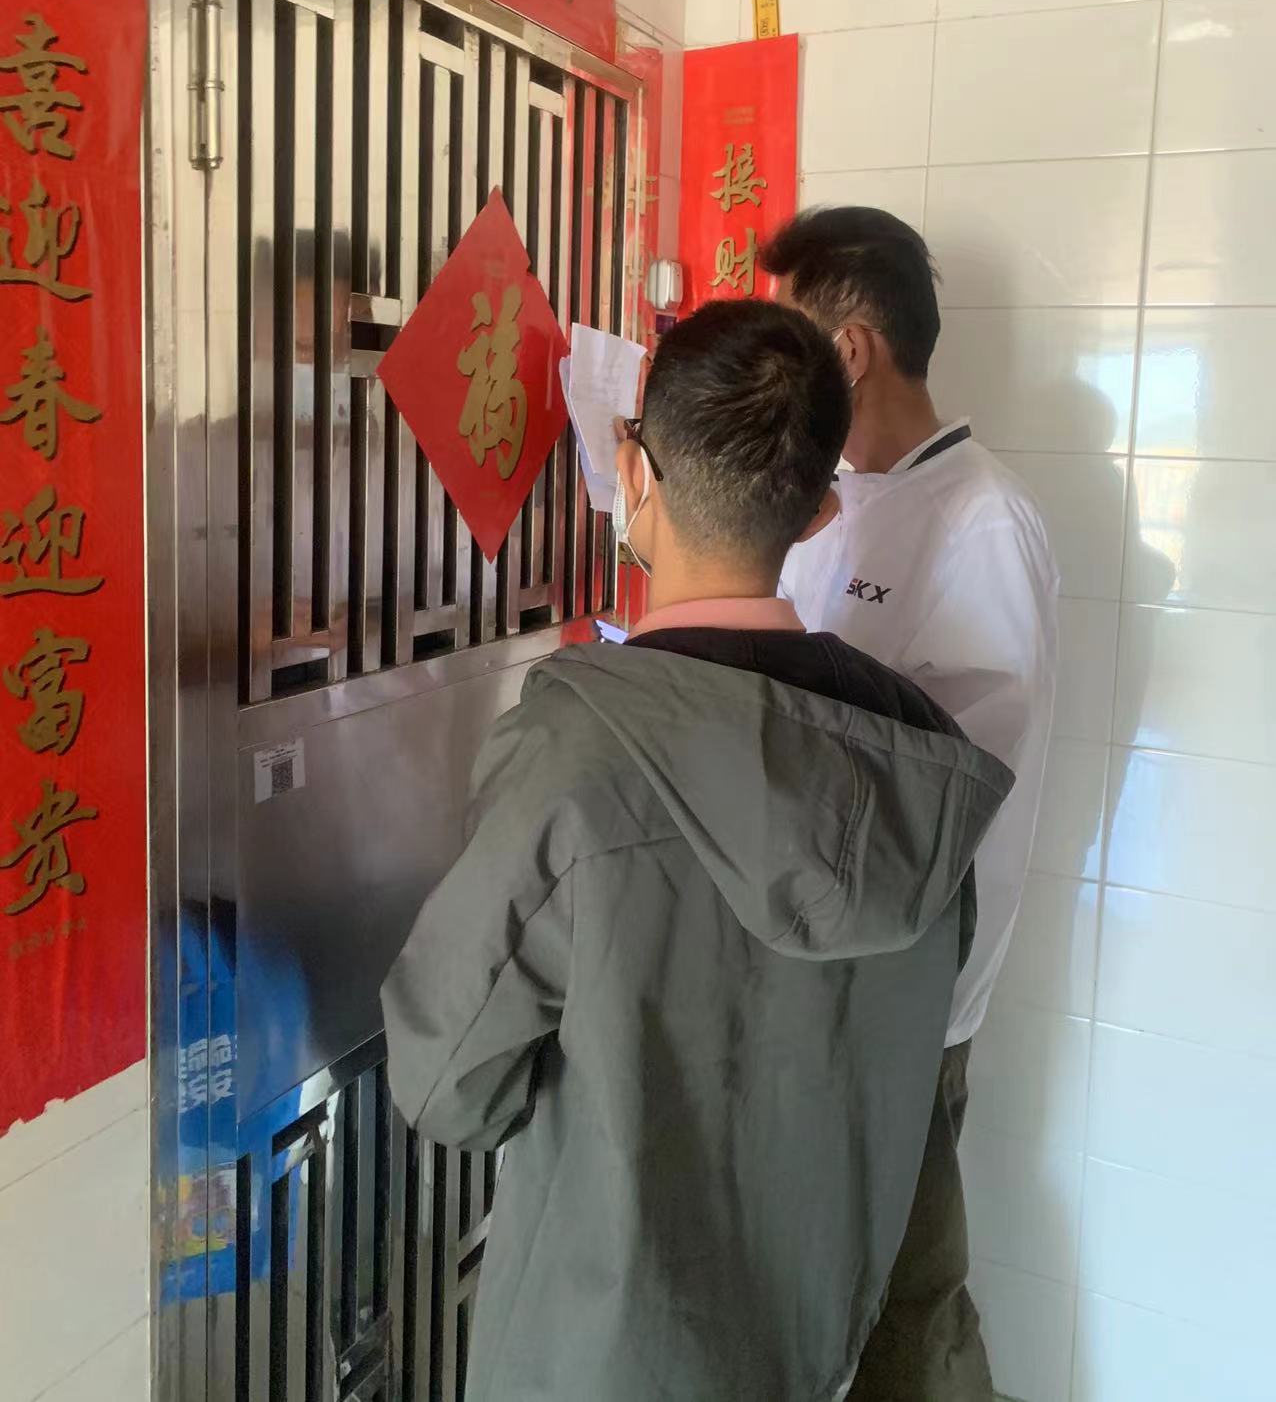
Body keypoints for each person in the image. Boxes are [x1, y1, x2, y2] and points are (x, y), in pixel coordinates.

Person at [382, 299, 1013, 1402]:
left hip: (601, 1355)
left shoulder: (574, 752)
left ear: (633, 471)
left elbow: (447, 1085)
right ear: (819, 513)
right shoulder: (919, 762)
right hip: (813, 1347)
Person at [770, 206, 1060, 1401]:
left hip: (908, 997)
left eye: (787, 339)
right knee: (840, 1283)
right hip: (824, 973)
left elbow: (947, 792)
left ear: (847, 351)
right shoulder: (829, 505)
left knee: (910, 1296)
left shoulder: (985, 522)